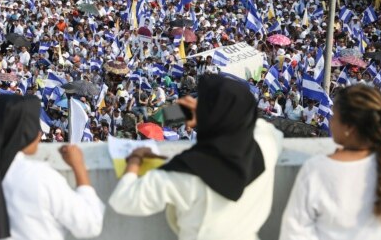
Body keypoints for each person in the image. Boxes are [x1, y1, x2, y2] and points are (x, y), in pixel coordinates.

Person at [108, 74, 283, 240]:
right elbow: (261, 127)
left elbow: (123, 200)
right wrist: (204, 115)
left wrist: (135, 160)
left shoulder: (185, 173)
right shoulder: (266, 146)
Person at [0, 95, 104, 240]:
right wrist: (80, 167)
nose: (40, 133)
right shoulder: (40, 177)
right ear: (21, 132)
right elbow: (89, 225)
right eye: (34, 125)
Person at [280, 84, 381, 240]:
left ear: (349, 127)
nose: (330, 121)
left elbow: (293, 234)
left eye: (334, 116)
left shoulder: (316, 170)